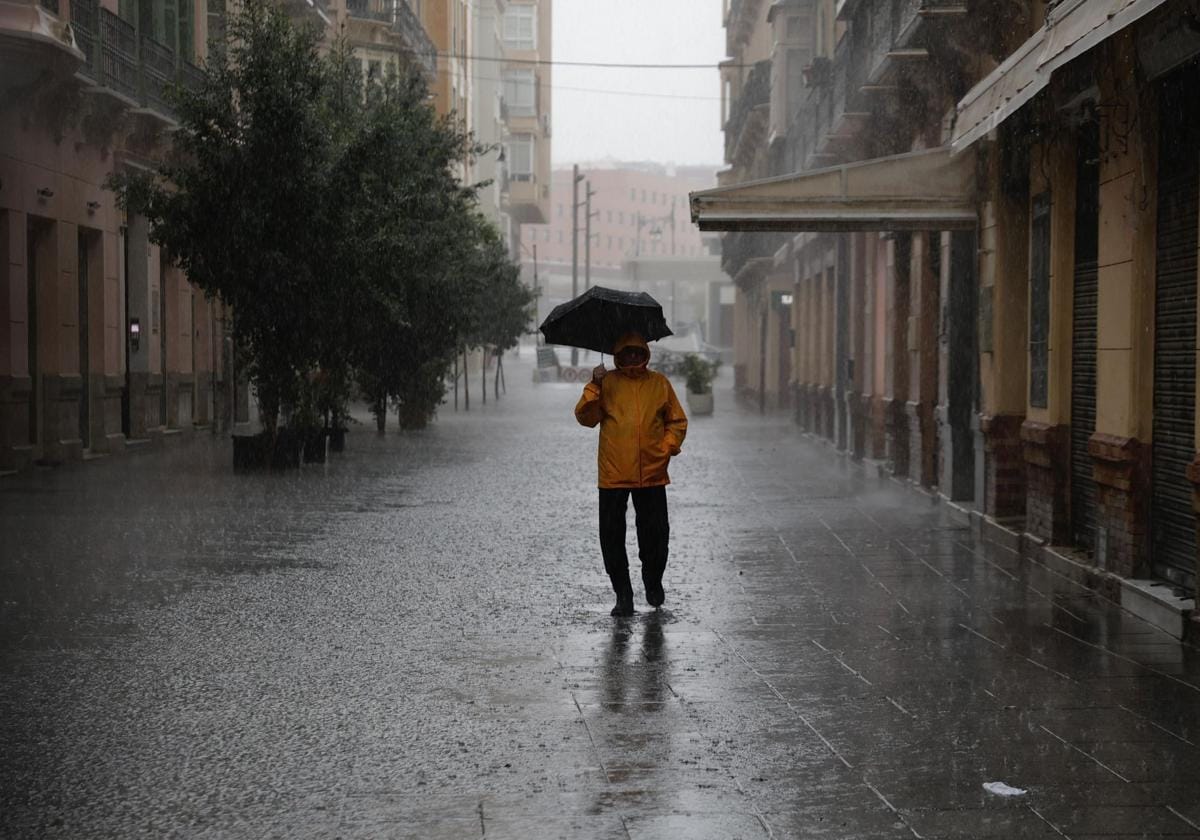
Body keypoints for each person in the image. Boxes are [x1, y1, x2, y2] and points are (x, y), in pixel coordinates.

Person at [575, 332, 688, 616]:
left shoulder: (659, 384)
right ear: (618, 354)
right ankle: (623, 593)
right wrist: (594, 386)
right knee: (611, 537)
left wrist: (666, 448)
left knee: (656, 533)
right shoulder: (606, 383)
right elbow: (585, 418)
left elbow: (676, 421)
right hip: (614, 473)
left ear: (645, 354)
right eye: (628, 352)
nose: (634, 357)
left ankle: (653, 581)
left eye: (638, 352)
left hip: (652, 473)